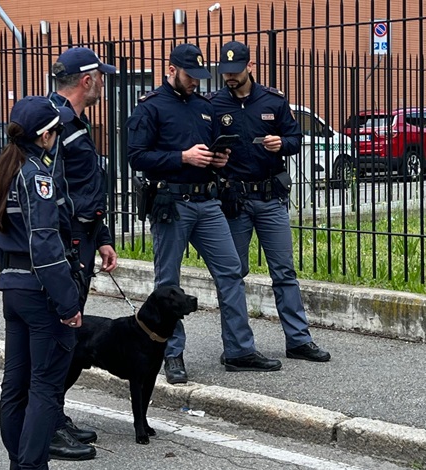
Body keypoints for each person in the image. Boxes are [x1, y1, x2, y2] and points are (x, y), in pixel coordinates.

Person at [127, 43, 282, 385]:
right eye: (189, 76)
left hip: (208, 201)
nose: (195, 83)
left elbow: (213, 150)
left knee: (231, 272)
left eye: (199, 77)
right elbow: (136, 156)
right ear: (171, 71)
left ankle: (239, 350)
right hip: (172, 202)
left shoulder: (204, 107)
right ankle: (171, 353)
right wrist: (181, 157)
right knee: (168, 282)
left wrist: (218, 160)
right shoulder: (151, 107)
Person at [209, 40, 331, 363]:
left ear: (251, 67)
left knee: (284, 271)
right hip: (235, 200)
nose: (230, 78)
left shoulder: (273, 101)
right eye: (226, 73)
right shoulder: (215, 104)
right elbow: (206, 147)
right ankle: (237, 347)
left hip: (270, 197)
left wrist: (283, 143)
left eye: (235, 72)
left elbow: (296, 138)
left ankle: (298, 340)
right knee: (233, 273)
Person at [0, 96, 85, 470]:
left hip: (13, 288)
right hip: (41, 291)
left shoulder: (1, 173)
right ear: (44, 136)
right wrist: (68, 303)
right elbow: (46, 246)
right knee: (44, 387)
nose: (58, 135)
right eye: (56, 130)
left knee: (16, 385)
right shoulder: (36, 176)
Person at [46, 46, 118, 459]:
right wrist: (75, 238)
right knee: (61, 333)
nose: (103, 84)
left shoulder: (74, 121)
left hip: (84, 239)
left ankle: (54, 416)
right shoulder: (57, 124)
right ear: (87, 81)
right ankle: (49, 424)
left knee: (68, 334)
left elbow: (84, 188)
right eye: (101, 77)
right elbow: (53, 191)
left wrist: (102, 235)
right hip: (69, 242)